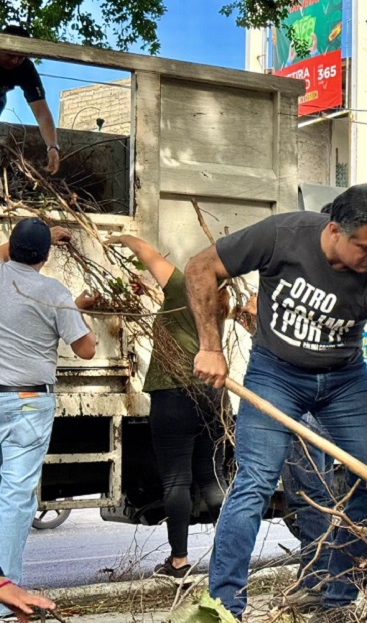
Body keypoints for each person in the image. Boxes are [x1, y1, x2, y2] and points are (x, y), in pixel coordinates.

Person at [185, 184, 367, 620]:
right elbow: (200, 268)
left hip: (344, 381)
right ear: (334, 231)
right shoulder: (282, 234)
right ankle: (224, 606)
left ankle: (336, 599)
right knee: (254, 481)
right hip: (276, 374)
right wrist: (209, 345)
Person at [106, 234, 228, 579]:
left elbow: (148, 254)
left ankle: (179, 561)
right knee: (212, 479)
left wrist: (122, 237)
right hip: (214, 396)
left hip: (174, 396)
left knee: (176, 481)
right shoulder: (221, 298)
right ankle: (228, 556)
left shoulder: (181, 286)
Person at [0, 218, 97, 611]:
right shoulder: (54, 293)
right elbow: (86, 350)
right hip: (27, 401)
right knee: (15, 496)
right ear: (46, 254)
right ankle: (6, 596)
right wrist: (79, 312)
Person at [0, 25, 60, 175]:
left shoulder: (26, 69)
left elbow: (42, 113)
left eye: (20, 57)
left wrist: (52, 146)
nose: (14, 61)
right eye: (10, 54)